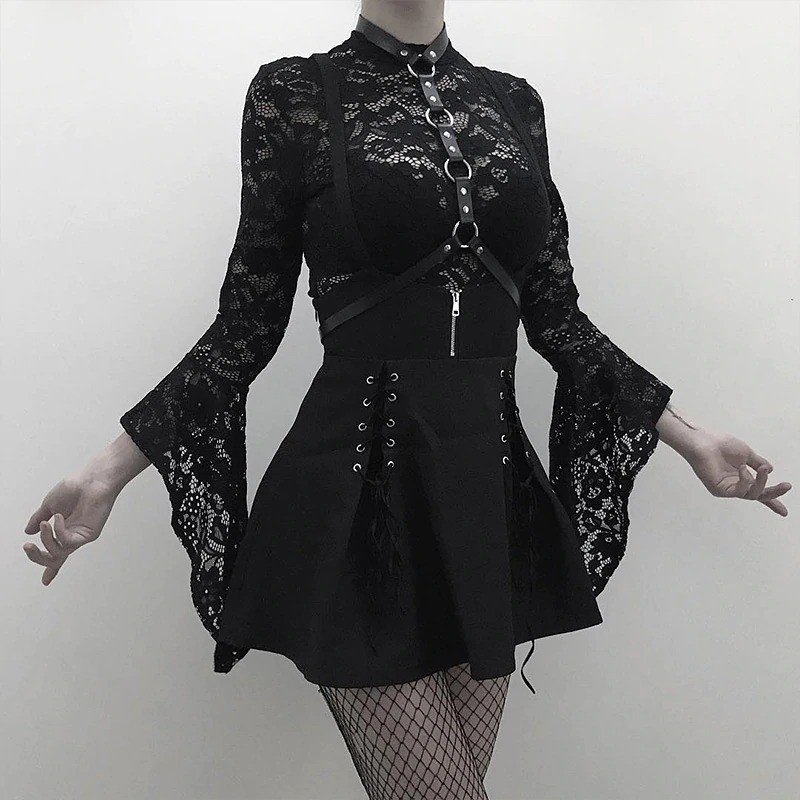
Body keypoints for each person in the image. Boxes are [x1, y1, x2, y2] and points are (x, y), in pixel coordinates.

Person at [22, 2, 791, 799]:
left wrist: (689, 435)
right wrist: (108, 471)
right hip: (356, 498)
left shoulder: (514, 102)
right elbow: (246, 328)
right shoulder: (295, 93)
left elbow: (557, 319)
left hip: (485, 500)